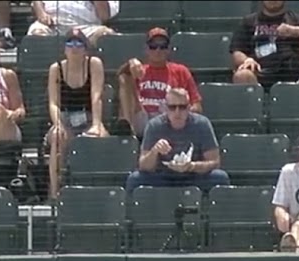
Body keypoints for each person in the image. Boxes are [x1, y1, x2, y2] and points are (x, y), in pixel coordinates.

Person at [125, 87, 229, 193]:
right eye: (172, 107)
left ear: (189, 108)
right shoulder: (154, 126)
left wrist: (192, 166)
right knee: (135, 179)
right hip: (163, 176)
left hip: (194, 176)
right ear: (165, 108)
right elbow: (143, 166)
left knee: (220, 177)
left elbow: (215, 162)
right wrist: (154, 151)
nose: (177, 112)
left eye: (182, 107)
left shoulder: (201, 124)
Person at [47, 28, 108, 198]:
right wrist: (58, 124)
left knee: (101, 137)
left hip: (89, 115)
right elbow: (53, 103)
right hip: (64, 117)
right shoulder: (56, 69)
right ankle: (54, 193)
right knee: (57, 139)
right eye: (70, 43)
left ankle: (98, 192)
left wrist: (96, 124)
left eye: (79, 43)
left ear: (85, 48)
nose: (75, 47)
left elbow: (96, 95)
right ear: (65, 49)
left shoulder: (93, 64)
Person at [116, 27, 203, 138]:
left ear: (168, 49)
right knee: (124, 77)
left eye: (163, 46)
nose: (158, 50)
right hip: (142, 116)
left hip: (168, 119)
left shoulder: (180, 71)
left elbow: (197, 106)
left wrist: (179, 110)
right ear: (146, 49)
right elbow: (119, 75)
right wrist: (129, 64)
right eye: (153, 46)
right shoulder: (138, 70)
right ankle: (128, 131)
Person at [230, 0, 299, 87]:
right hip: (261, 72)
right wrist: (246, 60)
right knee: (241, 75)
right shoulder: (248, 22)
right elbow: (237, 51)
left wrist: (295, 31)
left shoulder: (296, 19)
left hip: (295, 71)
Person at [27, 0, 118, 45]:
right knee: (37, 33)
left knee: (106, 34)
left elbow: (104, 16)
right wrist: (41, 13)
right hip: (52, 24)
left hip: (86, 27)